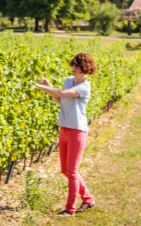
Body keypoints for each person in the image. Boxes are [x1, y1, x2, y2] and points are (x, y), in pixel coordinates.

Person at [36, 52, 97, 217]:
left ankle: (70, 210)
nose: (74, 67)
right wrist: (49, 86)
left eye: (77, 65)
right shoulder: (69, 81)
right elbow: (60, 100)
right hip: (64, 129)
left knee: (72, 171)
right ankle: (88, 199)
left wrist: (43, 87)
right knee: (66, 170)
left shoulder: (84, 86)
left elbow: (62, 93)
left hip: (77, 131)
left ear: (85, 69)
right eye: (73, 64)